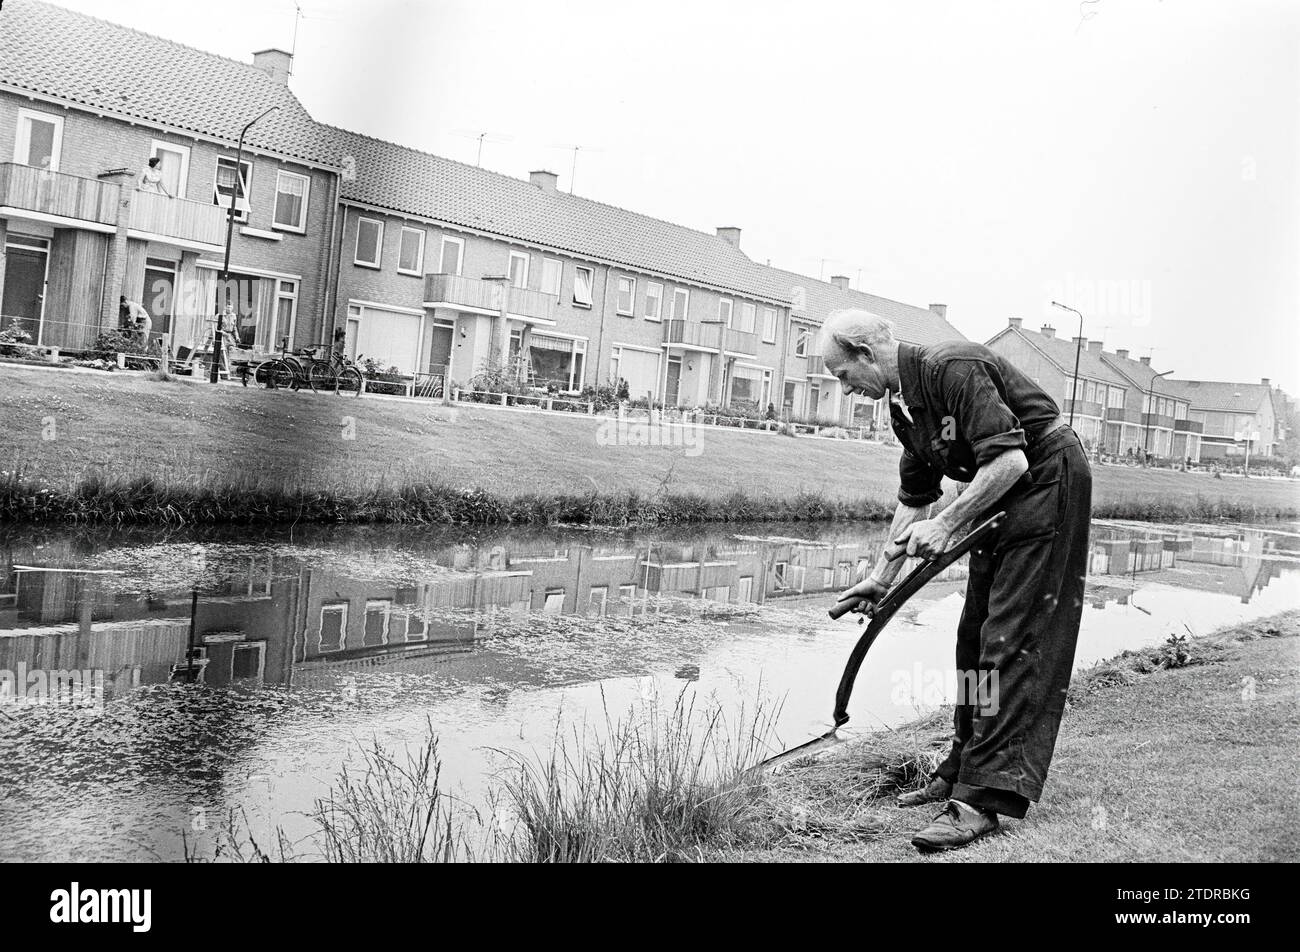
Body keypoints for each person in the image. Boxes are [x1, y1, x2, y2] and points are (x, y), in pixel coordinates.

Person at [826, 309, 1092, 853]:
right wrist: (882, 578)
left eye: (843, 375)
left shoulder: (953, 367)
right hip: (1000, 495)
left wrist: (948, 524)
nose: (846, 389)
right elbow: (915, 498)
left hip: (1045, 481)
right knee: (973, 637)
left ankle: (981, 802)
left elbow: (1011, 462)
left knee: (1011, 642)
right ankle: (960, 767)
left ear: (864, 354)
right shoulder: (906, 407)